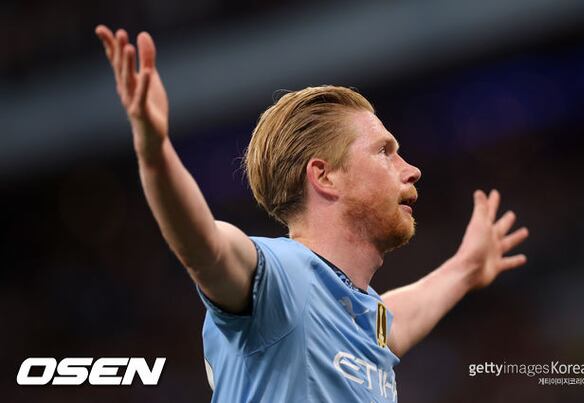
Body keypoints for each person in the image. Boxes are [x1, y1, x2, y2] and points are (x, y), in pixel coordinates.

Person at [95, 25, 529, 402]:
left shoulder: (360, 314)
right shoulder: (282, 278)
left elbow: (395, 322)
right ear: (325, 177)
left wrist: (465, 268)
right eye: (385, 152)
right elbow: (204, 245)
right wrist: (155, 153)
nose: (411, 169)